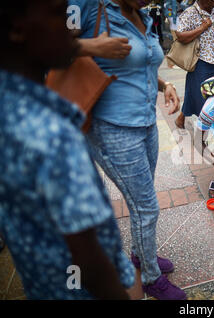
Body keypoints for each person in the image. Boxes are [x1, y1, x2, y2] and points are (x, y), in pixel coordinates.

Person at [0, 0, 134, 299]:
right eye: (59, 14)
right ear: (18, 28)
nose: (72, 29)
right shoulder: (52, 136)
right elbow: (88, 260)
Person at [70, 0, 185, 300]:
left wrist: (164, 86)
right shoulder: (91, 9)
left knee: (141, 202)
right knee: (146, 206)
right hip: (111, 128)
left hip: (146, 124)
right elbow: (45, 48)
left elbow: (142, 62)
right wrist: (91, 47)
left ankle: (140, 255)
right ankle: (149, 277)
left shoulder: (142, 15)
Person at [174, 0, 214, 129]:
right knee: (198, 97)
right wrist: (202, 28)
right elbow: (180, 36)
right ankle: (203, 131)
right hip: (200, 61)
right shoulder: (190, 13)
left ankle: (184, 119)